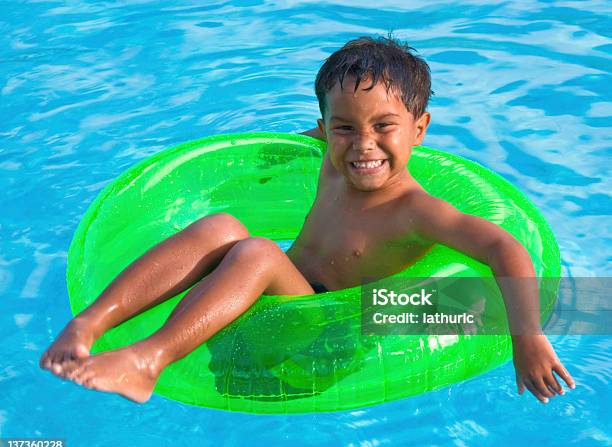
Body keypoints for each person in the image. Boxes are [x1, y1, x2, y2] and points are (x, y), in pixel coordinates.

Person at [40, 35, 575, 404]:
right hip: (259, 322)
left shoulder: (415, 211)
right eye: (343, 129)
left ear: (420, 128)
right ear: (325, 125)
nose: (364, 145)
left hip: (314, 354)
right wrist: (283, 151)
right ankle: (90, 323)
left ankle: (147, 362)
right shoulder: (331, 153)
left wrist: (525, 335)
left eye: (385, 126)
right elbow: (331, 134)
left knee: (257, 251)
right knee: (223, 226)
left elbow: (506, 248)